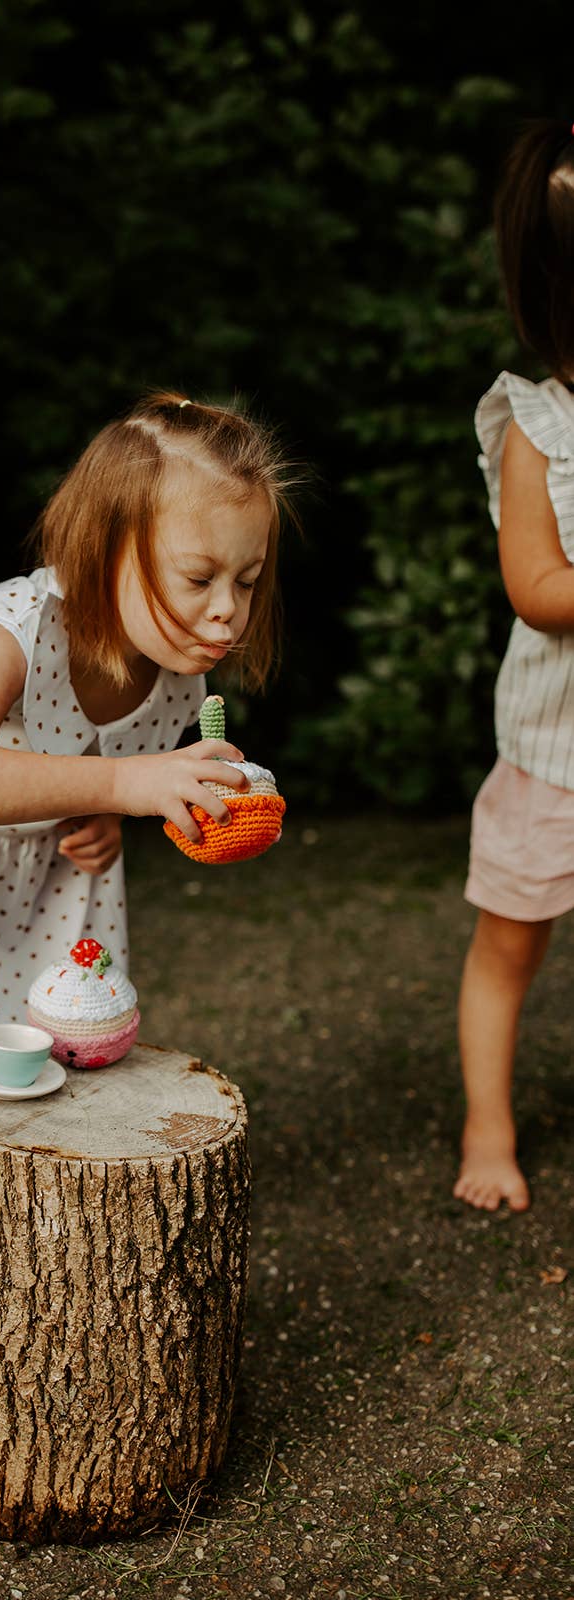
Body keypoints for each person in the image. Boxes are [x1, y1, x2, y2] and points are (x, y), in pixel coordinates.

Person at [0, 391, 296, 1332]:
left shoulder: (177, 664)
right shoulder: (7, 634)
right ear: (104, 552)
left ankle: (30, 1205)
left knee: (58, 1024)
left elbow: (105, 776)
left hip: (41, 859)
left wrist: (106, 813)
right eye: (197, 577)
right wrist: (121, 787)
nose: (227, 612)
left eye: (249, 577)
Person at [455, 118, 574, 1213]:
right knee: (508, 940)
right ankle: (485, 1126)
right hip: (555, 755)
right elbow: (535, 588)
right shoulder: (536, 427)